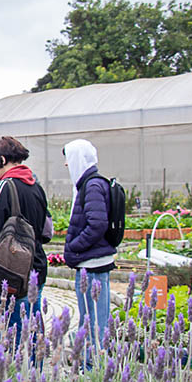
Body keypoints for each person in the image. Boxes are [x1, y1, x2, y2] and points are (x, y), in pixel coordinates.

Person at [0, 137, 52, 346]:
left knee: (13, 326)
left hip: (12, 268)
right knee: (33, 322)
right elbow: (46, 227)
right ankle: (35, 369)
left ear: (2, 159)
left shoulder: (5, 185)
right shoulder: (35, 185)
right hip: (36, 262)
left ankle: (17, 372)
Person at [63, 138, 116, 360]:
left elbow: (97, 224)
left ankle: (93, 365)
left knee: (93, 320)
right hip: (92, 262)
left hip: (91, 264)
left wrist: (74, 247)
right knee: (93, 318)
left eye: (68, 159)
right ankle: (94, 362)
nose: (66, 165)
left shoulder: (92, 186)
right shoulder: (90, 183)